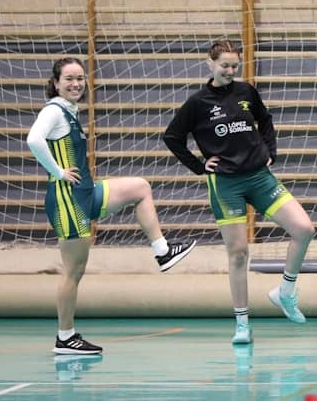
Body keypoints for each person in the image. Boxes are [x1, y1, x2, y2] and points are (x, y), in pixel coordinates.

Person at [27, 58, 197, 355]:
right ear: (55, 82)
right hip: (68, 200)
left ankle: (162, 252)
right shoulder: (53, 110)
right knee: (74, 271)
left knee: (140, 188)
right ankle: (65, 337)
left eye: (80, 78)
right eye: (69, 78)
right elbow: (33, 139)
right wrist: (58, 172)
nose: (76, 84)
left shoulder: (70, 110)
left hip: (86, 192)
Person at [164, 40, 315, 345]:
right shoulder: (198, 103)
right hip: (226, 184)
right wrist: (198, 165)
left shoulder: (247, 91)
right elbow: (172, 137)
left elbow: (266, 121)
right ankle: (242, 324)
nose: (231, 71)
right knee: (238, 254)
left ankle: (285, 292)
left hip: (260, 177)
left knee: (304, 229)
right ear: (210, 64)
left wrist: (271, 149)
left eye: (235, 66)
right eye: (225, 66)